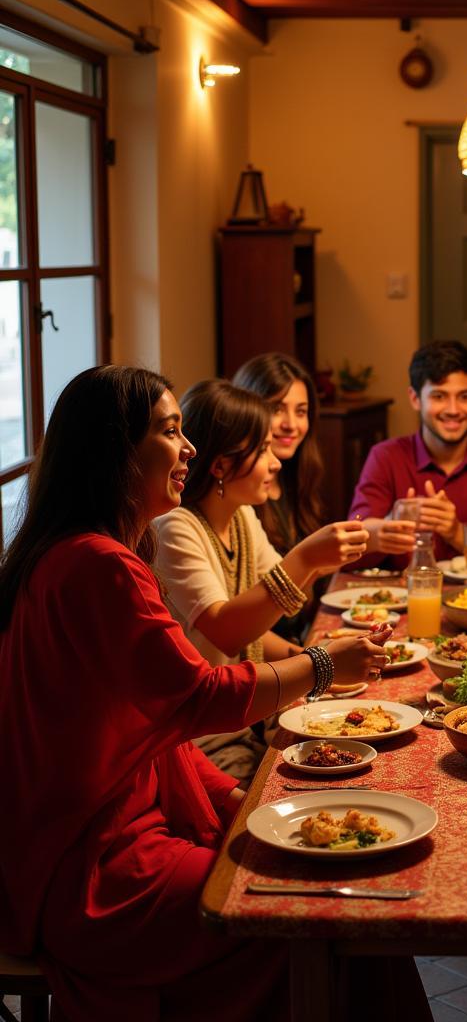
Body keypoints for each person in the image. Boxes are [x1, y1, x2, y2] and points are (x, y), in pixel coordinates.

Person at [0, 366, 430, 1021]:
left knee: (338, 895)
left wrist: (236, 799)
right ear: (118, 449)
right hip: (95, 873)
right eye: (172, 431)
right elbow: (200, 696)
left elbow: (156, 729)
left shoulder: (84, 552)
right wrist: (319, 664)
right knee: (321, 910)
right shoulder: (99, 565)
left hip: (94, 847)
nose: (192, 449)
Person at [153, 379, 369, 781]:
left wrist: (309, 659)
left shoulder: (239, 517)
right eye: (264, 448)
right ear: (220, 465)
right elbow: (226, 631)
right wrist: (306, 556)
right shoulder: (176, 528)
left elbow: (281, 602)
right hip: (201, 734)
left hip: (244, 712)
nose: (276, 462)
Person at [350, 340, 467, 569]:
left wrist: (456, 532)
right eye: (439, 396)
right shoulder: (385, 456)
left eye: (464, 396)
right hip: (402, 598)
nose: (453, 410)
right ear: (415, 399)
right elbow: (352, 544)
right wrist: (390, 526)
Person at [233, 353, 329, 642]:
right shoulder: (239, 496)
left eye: (301, 411)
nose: (291, 424)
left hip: (298, 639)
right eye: (277, 409)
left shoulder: (295, 477)